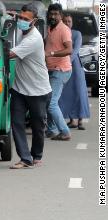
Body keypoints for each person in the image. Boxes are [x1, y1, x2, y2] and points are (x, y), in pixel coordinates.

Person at [8, 4, 52, 169]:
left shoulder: (34, 39)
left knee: (38, 126)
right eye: (20, 17)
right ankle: (25, 159)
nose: (21, 21)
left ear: (34, 21)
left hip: (38, 90)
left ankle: (37, 155)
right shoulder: (22, 32)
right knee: (17, 123)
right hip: (19, 88)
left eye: (26, 19)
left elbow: (10, 54)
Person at [45, 3, 73, 141]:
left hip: (60, 70)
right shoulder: (50, 27)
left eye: (56, 14)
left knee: (51, 103)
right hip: (50, 69)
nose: (53, 16)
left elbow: (69, 50)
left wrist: (50, 53)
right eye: (51, 13)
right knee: (48, 101)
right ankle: (51, 130)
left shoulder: (64, 29)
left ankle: (65, 131)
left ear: (61, 15)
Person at [59, 13, 90, 130]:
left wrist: (66, 60)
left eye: (69, 21)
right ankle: (72, 120)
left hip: (75, 66)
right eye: (65, 21)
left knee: (79, 92)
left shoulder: (77, 34)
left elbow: (75, 50)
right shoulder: (60, 32)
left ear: (72, 23)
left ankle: (81, 120)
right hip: (64, 65)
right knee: (68, 93)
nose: (67, 23)